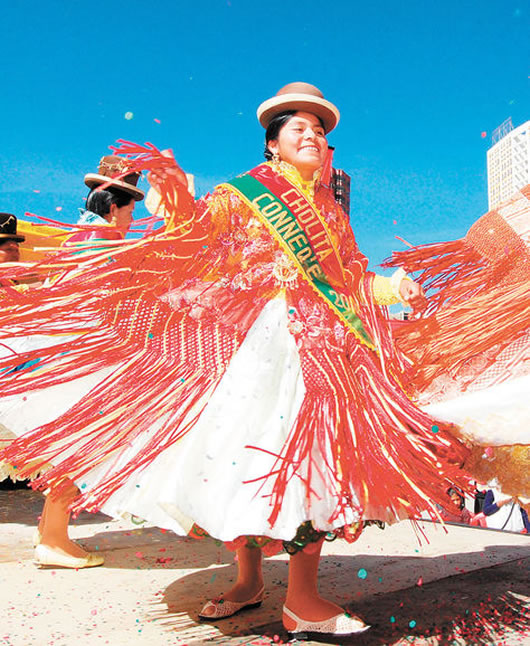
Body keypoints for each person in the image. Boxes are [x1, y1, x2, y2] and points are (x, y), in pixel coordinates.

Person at [0, 83, 470, 639]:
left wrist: (394, 287)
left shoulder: (329, 212)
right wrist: (174, 197)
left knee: (308, 463)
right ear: (272, 143)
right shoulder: (243, 192)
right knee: (245, 462)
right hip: (262, 344)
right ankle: (249, 580)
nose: (313, 136)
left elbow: (351, 276)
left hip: (321, 345)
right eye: (300, 127)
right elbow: (197, 239)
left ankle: (301, 596)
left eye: (320, 130)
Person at [0, 156, 144, 569]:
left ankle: (51, 534)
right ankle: (55, 539)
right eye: (131, 209)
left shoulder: (80, 238)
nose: (133, 218)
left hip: (64, 355)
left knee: (71, 448)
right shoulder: (103, 243)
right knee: (79, 448)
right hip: (84, 358)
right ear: (114, 206)